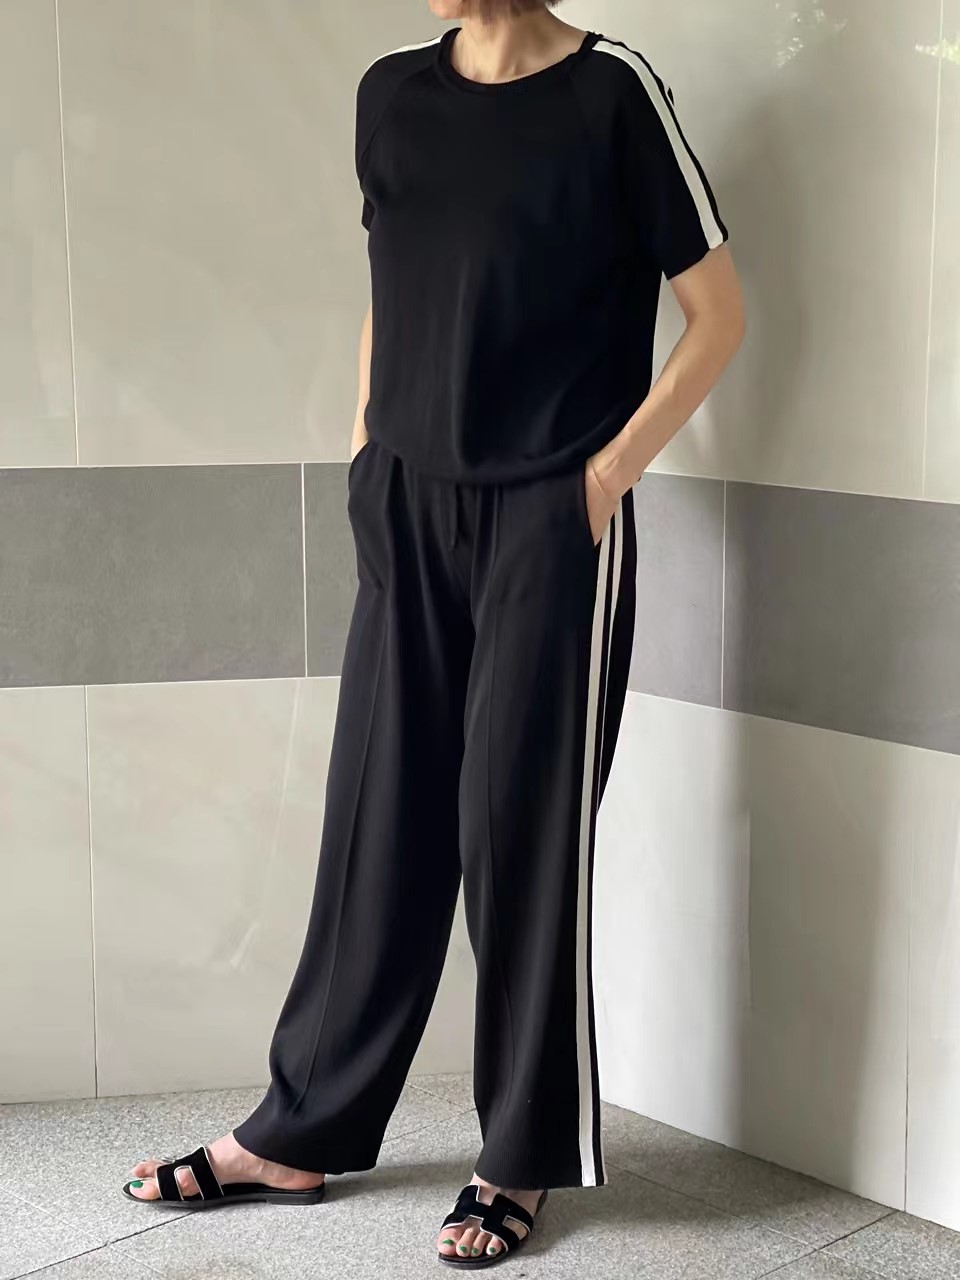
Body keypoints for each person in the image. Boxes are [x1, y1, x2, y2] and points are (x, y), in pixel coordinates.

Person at [122, 0, 744, 1268]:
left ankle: (520, 1154)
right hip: (404, 499)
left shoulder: (612, 96)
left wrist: (599, 483)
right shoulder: (392, 94)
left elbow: (718, 315)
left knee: (520, 834)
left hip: (549, 514)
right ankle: (302, 1126)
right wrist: (368, 447)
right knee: (377, 816)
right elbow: (392, 287)